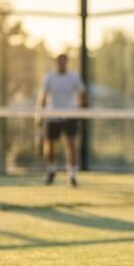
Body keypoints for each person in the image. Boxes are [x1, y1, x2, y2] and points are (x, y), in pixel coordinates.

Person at [39, 53, 87, 187]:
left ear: (67, 63)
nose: (62, 64)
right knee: (49, 144)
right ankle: (51, 169)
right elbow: (43, 96)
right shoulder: (50, 77)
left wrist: (81, 109)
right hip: (53, 114)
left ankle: (72, 173)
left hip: (70, 114)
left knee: (71, 144)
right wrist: (40, 115)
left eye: (64, 62)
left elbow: (82, 92)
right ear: (56, 63)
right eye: (59, 62)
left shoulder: (74, 77)